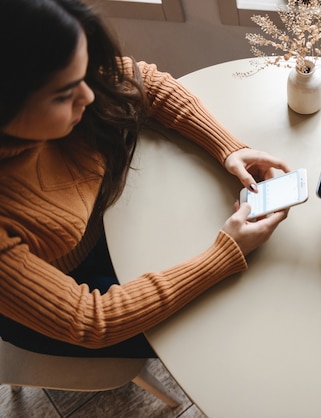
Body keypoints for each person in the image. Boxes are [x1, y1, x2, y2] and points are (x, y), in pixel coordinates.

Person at [0, 0, 290, 358]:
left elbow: (145, 84)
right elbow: (91, 321)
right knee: (217, 333)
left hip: (107, 225)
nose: (90, 96)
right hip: (63, 295)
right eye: (64, 95)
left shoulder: (61, 68)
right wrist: (224, 253)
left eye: (86, 72)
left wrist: (228, 149)